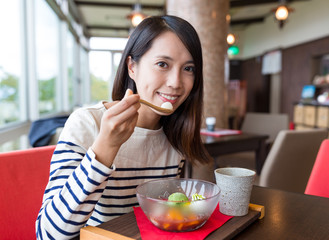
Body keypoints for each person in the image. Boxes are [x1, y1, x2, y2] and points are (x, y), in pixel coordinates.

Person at [36, 15, 211, 239]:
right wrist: (105, 147)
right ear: (132, 67)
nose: (176, 82)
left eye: (188, 69)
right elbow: (48, 234)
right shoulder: (87, 123)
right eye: (162, 64)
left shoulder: (176, 132)